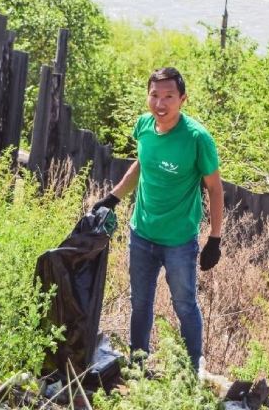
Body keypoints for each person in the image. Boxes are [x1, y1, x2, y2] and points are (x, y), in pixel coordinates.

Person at [93, 67, 224, 370]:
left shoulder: (197, 138)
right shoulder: (143, 126)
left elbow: (215, 188)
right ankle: (138, 365)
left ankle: (192, 370)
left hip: (179, 240)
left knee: (184, 304)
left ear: (182, 99)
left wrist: (215, 238)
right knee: (140, 302)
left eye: (168, 97)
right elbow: (142, 163)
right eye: (154, 95)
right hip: (141, 234)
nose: (160, 104)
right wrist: (113, 197)